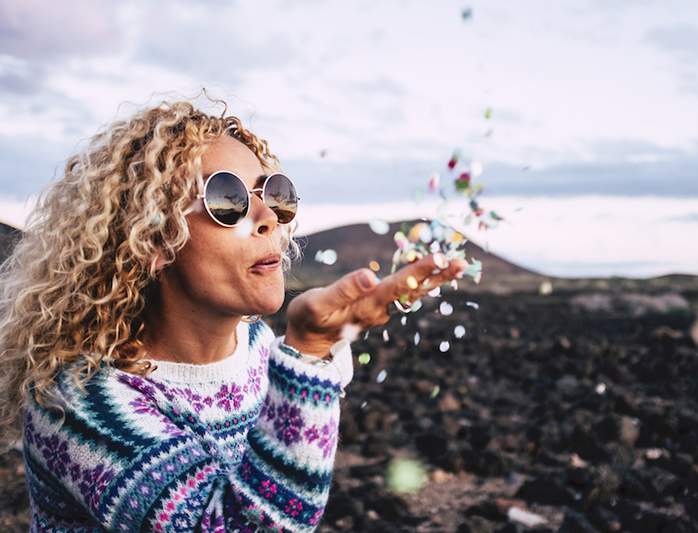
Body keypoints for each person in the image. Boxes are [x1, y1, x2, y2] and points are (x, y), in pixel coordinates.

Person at [0, 98, 466, 532]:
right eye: (228, 200)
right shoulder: (80, 405)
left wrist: (324, 345)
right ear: (152, 240)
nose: (268, 216)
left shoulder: (259, 348)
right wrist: (309, 353)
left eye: (275, 194)